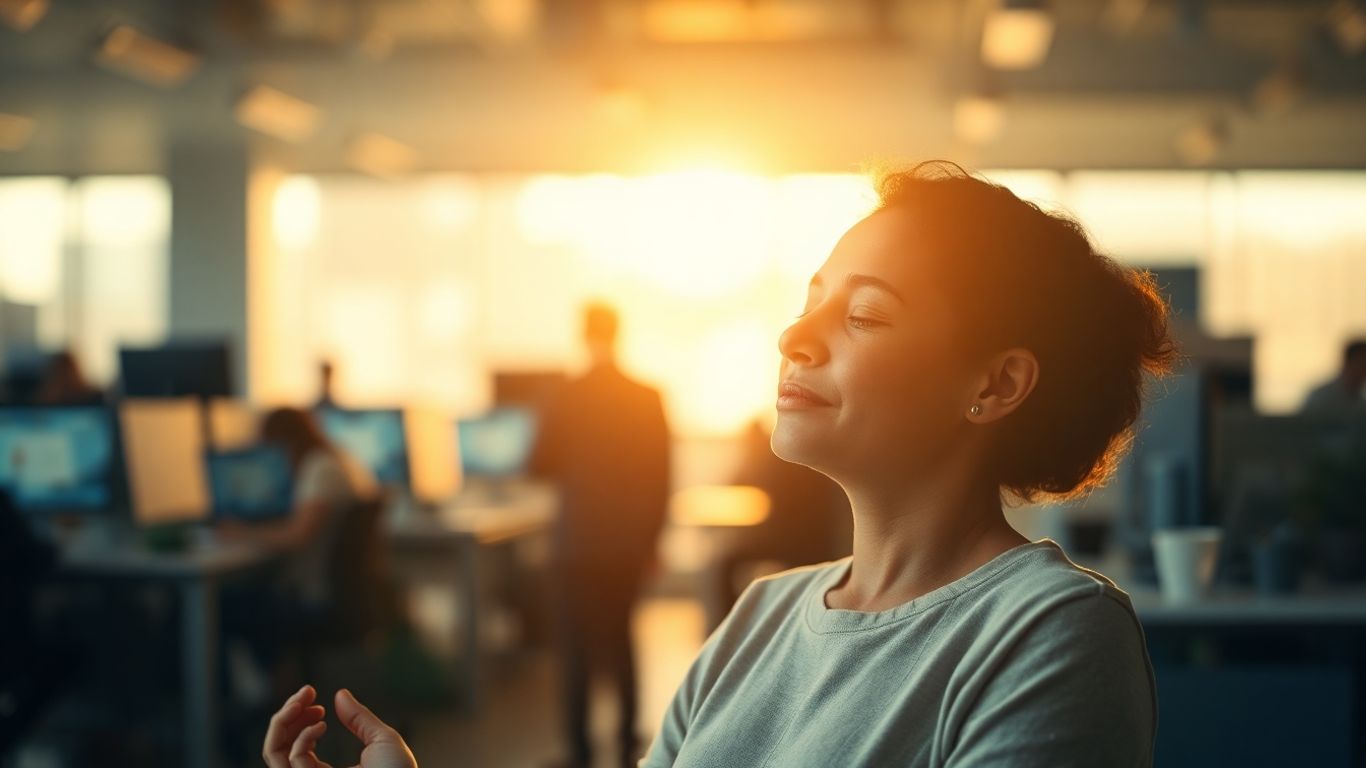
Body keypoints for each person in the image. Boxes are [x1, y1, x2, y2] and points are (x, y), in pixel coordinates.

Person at [263, 161, 1174, 767]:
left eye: (863, 315)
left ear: (995, 383)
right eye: (809, 302)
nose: (793, 335)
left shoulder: (1052, 635)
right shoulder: (761, 616)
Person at [530, 302, 672, 768]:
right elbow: (661, 476)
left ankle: (578, 751)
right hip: (627, 542)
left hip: (576, 541)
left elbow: (538, 464)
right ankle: (630, 743)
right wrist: (654, 542)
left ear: (583, 334)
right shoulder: (646, 395)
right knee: (621, 639)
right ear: (618, 333)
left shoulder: (566, 394)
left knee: (574, 647)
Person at [1301, 340, 1366, 414]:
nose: (1363, 369)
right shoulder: (1321, 398)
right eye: (1361, 364)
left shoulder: (1361, 398)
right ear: (1348, 362)